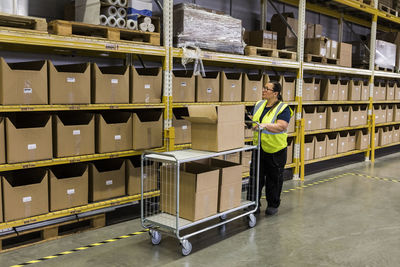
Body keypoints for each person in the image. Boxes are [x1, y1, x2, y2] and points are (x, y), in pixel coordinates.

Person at [247, 81, 293, 216]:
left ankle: (273, 204)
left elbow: (282, 126)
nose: (263, 90)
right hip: (258, 148)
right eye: (263, 87)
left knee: (273, 179)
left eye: (267, 88)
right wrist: (249, 120)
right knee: (255, 177)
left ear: (275, 93)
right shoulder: (259, 104)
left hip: (275, 149)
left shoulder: (283, 108)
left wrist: (264, 125)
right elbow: (253, 118)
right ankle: (253, 203)